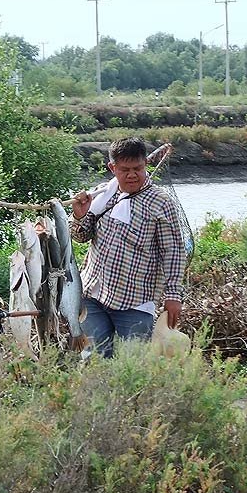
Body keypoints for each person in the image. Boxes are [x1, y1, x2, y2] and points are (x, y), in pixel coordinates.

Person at [70, 137, 187, 357]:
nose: (132, 175)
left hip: (135, 300)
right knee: (94, 359)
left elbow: (173, 252)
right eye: (125, 170)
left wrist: (173, 296)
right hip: (93, 295)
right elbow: (80, 236)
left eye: (138, 168)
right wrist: (79, 214)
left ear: (145, 165)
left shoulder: (160, 202)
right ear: (112, 168)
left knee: (135, 363)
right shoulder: (102, 194)